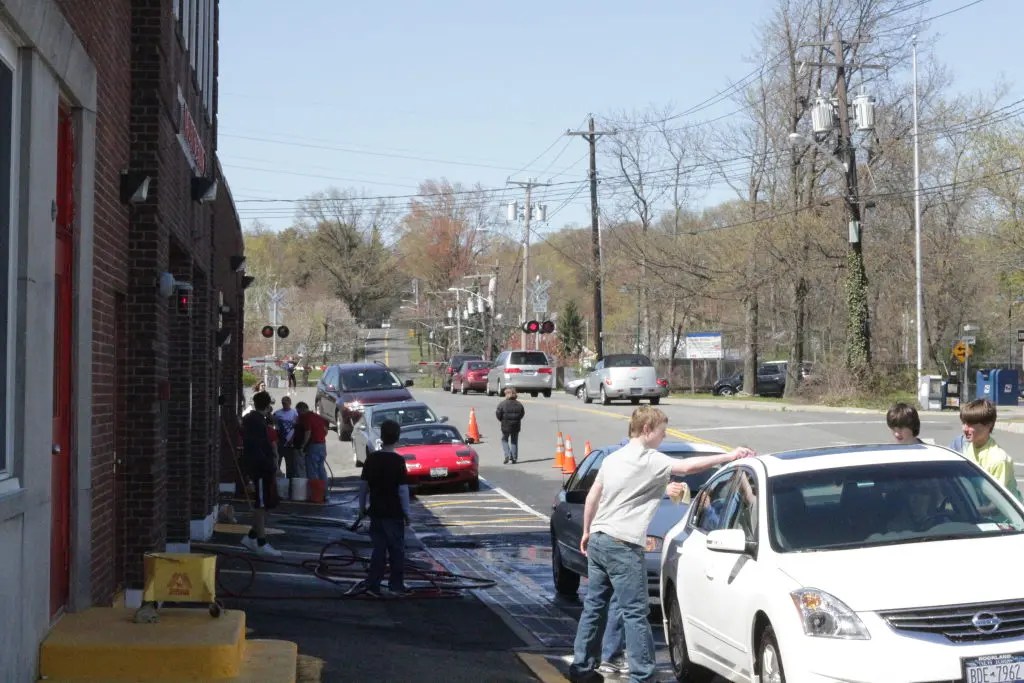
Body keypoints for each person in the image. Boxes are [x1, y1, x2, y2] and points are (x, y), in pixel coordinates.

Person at [568, 406, 755, 683]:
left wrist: (586, 530)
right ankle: (642, 675)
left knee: (595, 606)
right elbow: (688, 467)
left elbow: (594, 495)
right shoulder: (650, 459)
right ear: (646, 430)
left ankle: (582, 668)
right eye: (661, 432)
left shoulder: (613, 459)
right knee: (635, 612)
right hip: (623, 544)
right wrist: (730, 455)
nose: (663, 437)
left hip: (598, 538)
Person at [354, 419, 411, 597]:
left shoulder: (372, 459)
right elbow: (402, 490)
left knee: (378, 549)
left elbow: (363, 486)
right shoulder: (398, 461)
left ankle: (373, 584)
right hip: (393, 512)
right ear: (397, 438)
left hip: (376, 510)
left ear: (381, 436)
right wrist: (407, 513)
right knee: (396, 550)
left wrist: (362, 508)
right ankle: (396, 584)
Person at [238, 391, 282, 557]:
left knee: (265, 503)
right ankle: (261, 542)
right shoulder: (257, 422)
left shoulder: (253, 420)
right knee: (261, 504)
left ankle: (252, 536)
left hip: (259, 467)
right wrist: (268, 465)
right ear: (267, 405)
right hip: (261, 468)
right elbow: (259, 447)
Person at [958, 399, 1022, 501]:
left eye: (970, 424)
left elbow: (998, 503)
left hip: (1002, 516)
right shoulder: (966, 446)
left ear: (988, 425)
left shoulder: (998, 460)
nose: (965, 429)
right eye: (964, 423)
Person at [296, 402, 329, 483]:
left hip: (313, 446)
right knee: (321, 469)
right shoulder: (317, 416)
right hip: (322, 445)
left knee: (312, 471)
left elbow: (308, 432)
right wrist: (320, 436)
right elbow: (325, 430)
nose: (298, 414)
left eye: (298, 412)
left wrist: (303, 445)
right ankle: (324, 493)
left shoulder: (306, 417)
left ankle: (315, 494)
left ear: (301, 410)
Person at [495, 387, 525, 464]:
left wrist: (502, 420)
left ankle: (507, 454)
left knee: (504, 440)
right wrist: (517, 419)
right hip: (516, 425)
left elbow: (498, 414)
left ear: (507, 394)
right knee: (514, 441)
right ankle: (514, 458)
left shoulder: (502, 404)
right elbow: (522, 414)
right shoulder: (519, 404)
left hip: (505, 425)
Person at [273, 395, 299, 477]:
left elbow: (297, 427)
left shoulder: (295, 413)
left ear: (290, 403)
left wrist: (293, 438)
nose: (285, 405)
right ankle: (277, 480)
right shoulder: (277, 413)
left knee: (290, 465)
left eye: (286, 403)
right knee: (277, 462)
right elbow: (273, 425)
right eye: (283, 403)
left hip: (290, 443)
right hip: (280, 441)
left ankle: (290, 481)